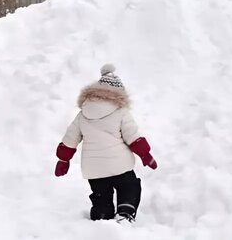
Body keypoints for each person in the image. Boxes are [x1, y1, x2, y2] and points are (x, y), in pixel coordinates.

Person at [54, 64, 159, 223]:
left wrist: (63, 159)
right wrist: (145, 154)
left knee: (101, 195)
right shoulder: (121, 112)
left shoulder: (82, 115)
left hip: (94, 169)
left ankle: (101, 217)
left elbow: (69, 139)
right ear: (119, 95)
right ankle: (125, 212)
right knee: (129, 187)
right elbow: (133, 137)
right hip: (119, 166)